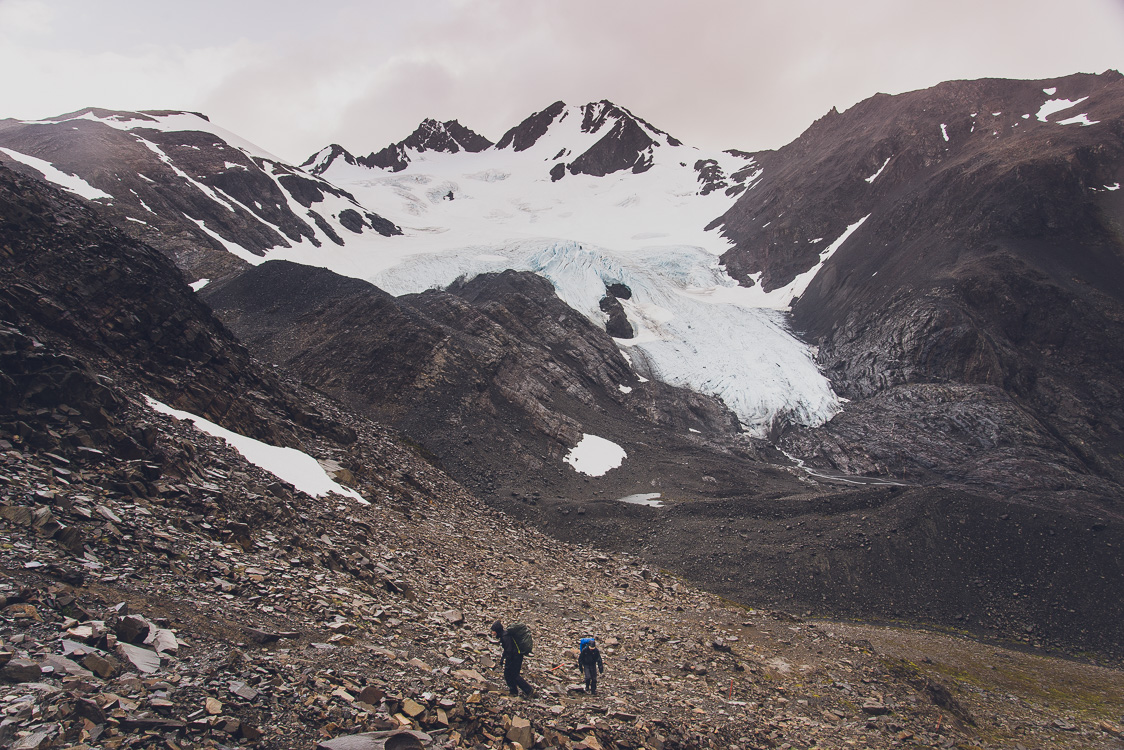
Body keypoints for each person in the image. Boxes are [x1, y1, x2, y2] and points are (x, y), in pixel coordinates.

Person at [492, 620, 534, 698]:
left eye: (494, 631)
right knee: (511, 674)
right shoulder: (505, 635)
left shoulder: (505, 637)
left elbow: (509, 650)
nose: (493, 633)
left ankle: (527, 690)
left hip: (515, 657)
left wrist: (508, 662)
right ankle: (515, 691)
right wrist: (502, 659)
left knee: (512, 675)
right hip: (517, 656)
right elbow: (507, 650)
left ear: (497, 630)